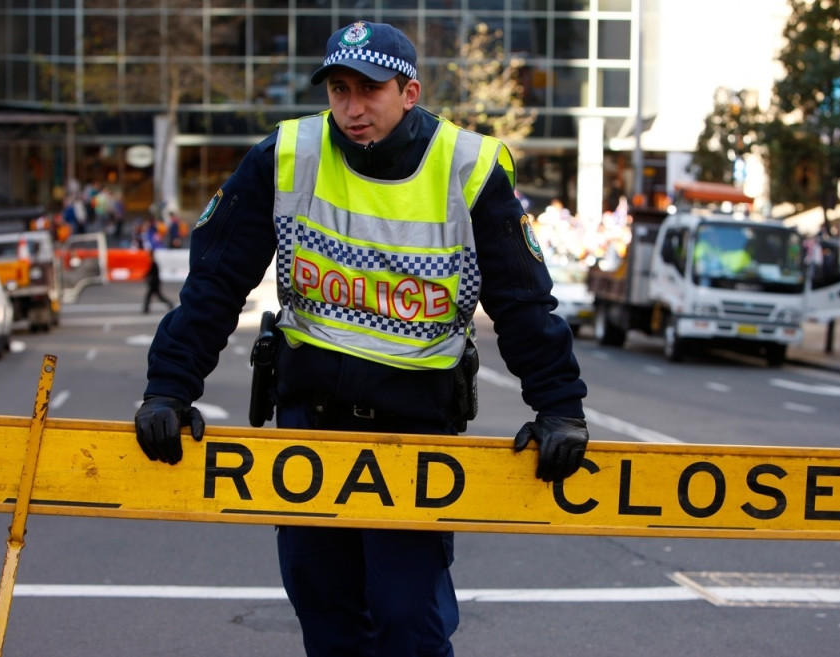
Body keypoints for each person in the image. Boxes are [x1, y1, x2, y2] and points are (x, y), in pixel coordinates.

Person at [133, 20, 588, 657]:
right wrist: (168, 391)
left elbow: (522, 303)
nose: (351, 108)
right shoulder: (285, 156)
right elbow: (213, 287)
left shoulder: (470, 167)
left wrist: (559, 408)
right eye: (339, 89)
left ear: (409, 91)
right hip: (309, 425)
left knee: (408, 622)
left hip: (414, 434)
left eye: (368, 90)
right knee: (327, 617)